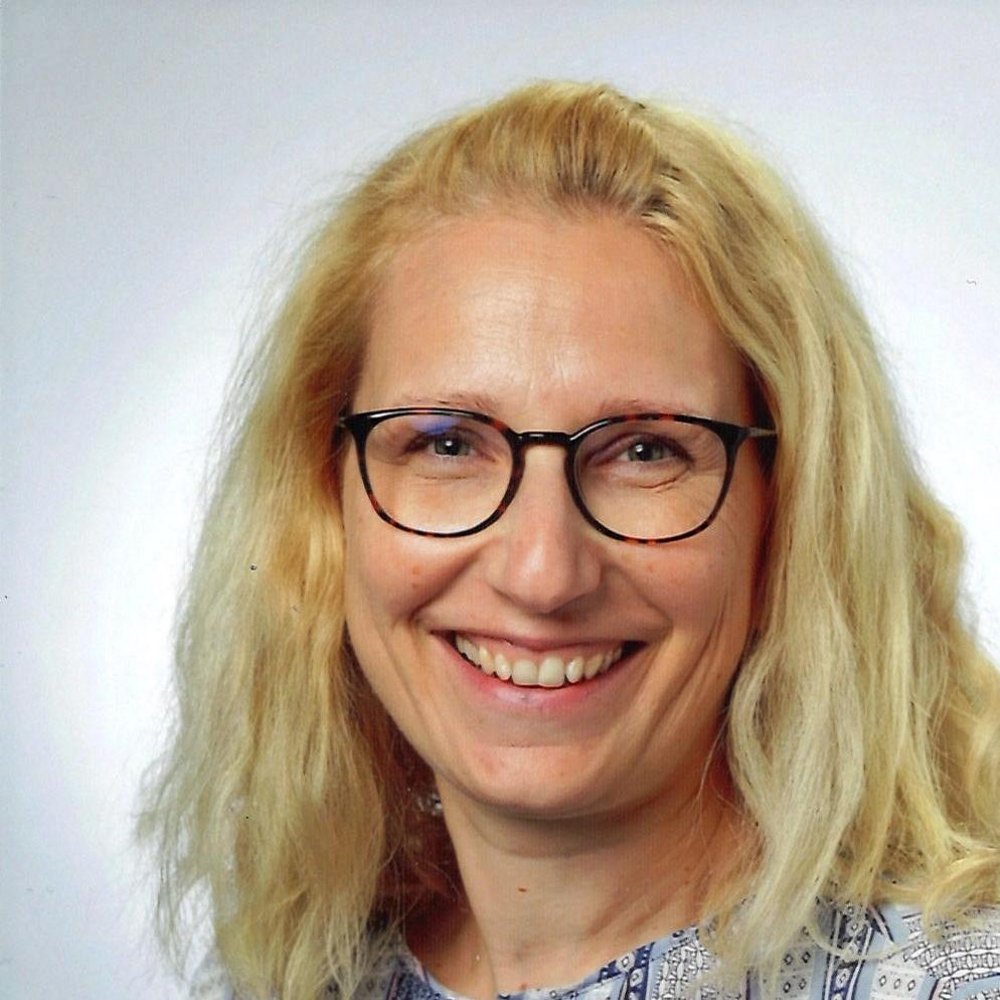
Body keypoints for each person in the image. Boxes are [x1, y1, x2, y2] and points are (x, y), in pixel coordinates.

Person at [140, 81, 1000, 1000]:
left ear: (789, 514)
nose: (543, 572)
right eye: (447, 444)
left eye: (645, 450)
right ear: (326, 495)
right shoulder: (304, 977)